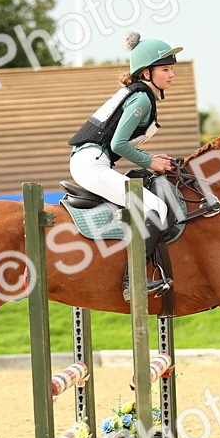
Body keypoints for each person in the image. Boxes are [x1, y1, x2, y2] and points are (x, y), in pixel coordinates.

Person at [68, 31, 179, 301]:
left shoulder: (140, 95)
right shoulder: (141, 98)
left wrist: (151, 158)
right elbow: (118, 144)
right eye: (165, 69)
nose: (171, 75)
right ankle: (133, 282)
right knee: (157, 208)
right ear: (146, 73)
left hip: (93, 161)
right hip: (92, 164)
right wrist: (150, 161)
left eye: (171, 69)